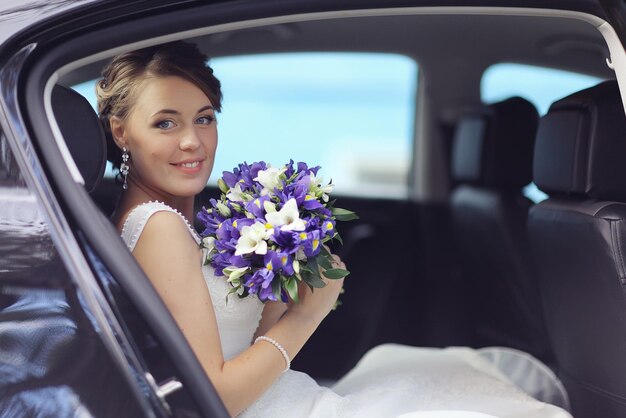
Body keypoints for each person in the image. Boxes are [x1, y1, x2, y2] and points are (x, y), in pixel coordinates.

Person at [97, 41, 572, 418]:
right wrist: (308, 314)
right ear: (121, 132)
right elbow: (214, 398)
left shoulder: (160, 218)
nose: (192, 141)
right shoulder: (159, 227)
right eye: (165, 123)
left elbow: (231, 344)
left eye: (204, 118)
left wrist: (275, 268)